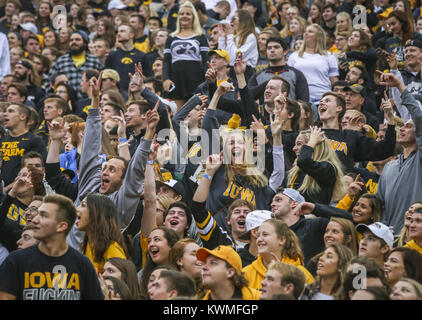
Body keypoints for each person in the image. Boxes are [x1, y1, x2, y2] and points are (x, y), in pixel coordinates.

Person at [0, 194, 104, 300]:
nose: (35, 220)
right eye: (38, 214)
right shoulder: (15, 261)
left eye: (44, 215)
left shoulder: (83, 265)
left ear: (61, 226)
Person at [376, 72, 422, 234]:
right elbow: (381, 205)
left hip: (414, 235)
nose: (402, 128)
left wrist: (400, 86)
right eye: (401, 126)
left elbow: (417, 116)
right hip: (391, 236)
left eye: (408, 126)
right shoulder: (390, 165)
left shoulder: (420, 159)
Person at [272, 188, 354, 264]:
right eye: (272, 201)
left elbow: (349, 219)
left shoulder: (314, 226)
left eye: (278, 200)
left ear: (294, 203)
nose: (272, 204)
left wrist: (315, 208)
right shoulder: (273, 233)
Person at [242, 219, 314, 291]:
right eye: (258, 235)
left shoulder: (300, 274)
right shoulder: (246, 273)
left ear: (282, 240)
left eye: (265, 234)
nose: (259, 239)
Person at [162, 1, 209, 111]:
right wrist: (166, 79)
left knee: (197, 114)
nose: (184, 16)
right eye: (182, 14)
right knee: (177, 116)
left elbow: (206, 60)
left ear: (193, 17)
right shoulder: (171, 37)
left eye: (188, 14)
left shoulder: (201, 37)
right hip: (176, 80)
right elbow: (166, 61)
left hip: (196, 80)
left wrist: (207, 82)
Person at [287, 126, 346, 204]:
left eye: (299, 144)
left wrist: (312, 142)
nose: (294, 148)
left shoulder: (328, 168)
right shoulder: (296, 170)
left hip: (313, 216)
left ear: (315, 146)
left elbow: (304, 161)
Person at [287, 24, 339, 108]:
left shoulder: (329, 56)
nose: (306, 33)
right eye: (305, 32)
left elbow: (334, 81)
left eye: (310, 31)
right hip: (299, 100)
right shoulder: (294, 56)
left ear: (318, 36)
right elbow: (289, 78)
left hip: (323, 100)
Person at [76, 193, 129, 274]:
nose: (77, 209)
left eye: (83, 205)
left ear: (96, 213)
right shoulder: (88, 244)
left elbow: (120, 282)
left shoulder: (112, 249)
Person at [1, 102, 47, 191]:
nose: (5, 114)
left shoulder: (34, 140)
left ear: (22, 117)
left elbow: (36, 171)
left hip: (22, 192)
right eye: (5, 111)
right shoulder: (2, 140)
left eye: (10, 111)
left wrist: (7, 189)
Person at [248, 37, 309, 103]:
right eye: (269, 48)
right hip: (266, 112)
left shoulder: (297, 74)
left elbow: (304, 101)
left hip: (289, 112)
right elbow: (248, 97)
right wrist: (268, 83)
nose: (272, 50)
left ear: (285, 52)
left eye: (276, 47)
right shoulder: (257, 76)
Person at [49, 31, 104, 99]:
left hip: (89, 101)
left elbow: (102, 81)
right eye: (71, 40)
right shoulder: (61, 61)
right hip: (66, 102)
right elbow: (50, 80)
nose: (73, 42)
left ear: (85, 42)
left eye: (77, 40)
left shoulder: (94, 61)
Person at [196, 245, 261, 300]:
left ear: (230, 272)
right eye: (205, 263)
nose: (204, 267)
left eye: (213, 263)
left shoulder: (258, 298)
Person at [217, 9, 258, 82]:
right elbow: (222, 55)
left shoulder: (250, 37)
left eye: (233, 18)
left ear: (243, 21)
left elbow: (234, 58)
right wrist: (222, 37)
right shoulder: (234, 36)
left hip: (245, 72)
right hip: (232, 71)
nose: (231, 21)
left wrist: (229, 36)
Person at [105, 24, 144, 98]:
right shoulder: (112, 55)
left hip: (135, 94)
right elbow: (107, 75)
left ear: (131, 35)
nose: (118, 34)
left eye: (122, 31)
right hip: (116, 94)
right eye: (118, 31)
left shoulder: (142, 56)